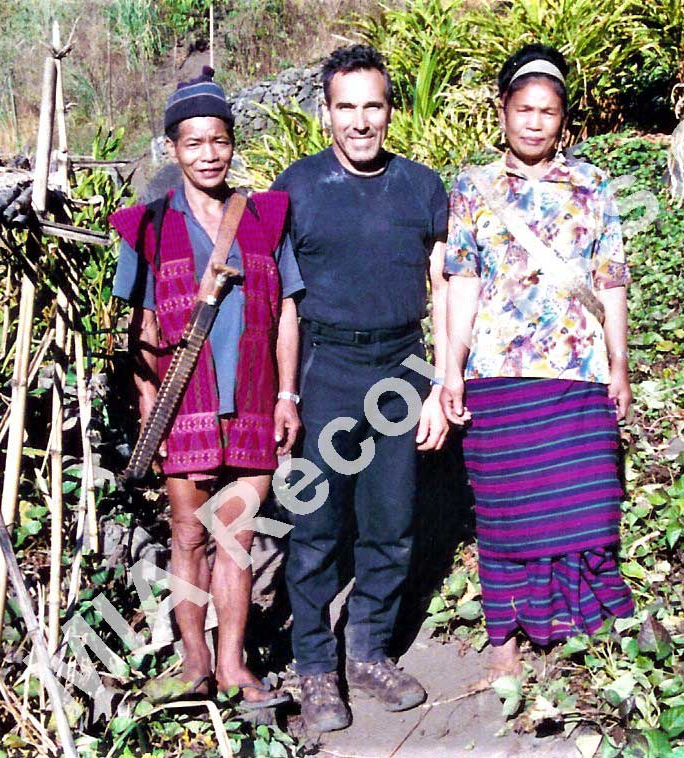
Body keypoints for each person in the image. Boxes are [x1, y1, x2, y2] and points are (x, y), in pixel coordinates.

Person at [439, 44, 636, 684]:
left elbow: (611, 280)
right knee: (504, 514)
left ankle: (588, 625)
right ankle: (506, 634)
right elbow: (461, 282)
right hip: (497, 372)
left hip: (575, 370)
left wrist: (619, 363)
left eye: (547, 112)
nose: (533, 122)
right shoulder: (472, 189)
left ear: (562, 120)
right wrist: (451, 369)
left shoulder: (592, 186)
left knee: (588, 504)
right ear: (502, 111)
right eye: (522, 109)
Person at [108, 67, 303, 710]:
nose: (208, 155)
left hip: (251, 401)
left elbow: (286, 314)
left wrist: (286, 397)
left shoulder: (265, 218)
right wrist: (146, 408)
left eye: (218, 141)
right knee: (188, 536)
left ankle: (232, 664)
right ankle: (192, 660)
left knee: (236, 538)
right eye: (194, 143)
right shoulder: (146, 225)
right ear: (173, 149)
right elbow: (135, 325)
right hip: (181, 403)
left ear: (231, 143)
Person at [271, 44, 451, 732]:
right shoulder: (296, 187)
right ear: (325, 113)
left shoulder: (421, 187)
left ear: (389, 111)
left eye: (372, 105)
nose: (360, 120)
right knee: (314, 528)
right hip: (328, 368)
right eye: (346, 106)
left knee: (392, 522)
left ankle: (369, 650)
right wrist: (286, 395)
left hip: (404, 367)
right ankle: (315, 667)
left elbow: (442, 287)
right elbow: (282, 302)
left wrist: (438, 382)